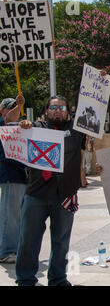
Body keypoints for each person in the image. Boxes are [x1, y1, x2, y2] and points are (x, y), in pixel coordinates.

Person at [15, 95, 85, 286]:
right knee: (28, 240)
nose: (58, 111)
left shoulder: (77, 129)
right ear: (46, 110)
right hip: (35, 194)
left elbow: (94, 106)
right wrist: (21, 120)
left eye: (62, 108)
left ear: (68, 112)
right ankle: (26, 279)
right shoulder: (34, 128)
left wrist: (101, 80)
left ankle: (58, 278)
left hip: (64, 195)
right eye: (54, 107)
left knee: (61, 242)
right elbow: (8, 126)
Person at [0, 95, 27, 264]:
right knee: (10, 216)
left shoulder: (20, 127)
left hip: (21, 175)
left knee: (18, 215)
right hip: (10, 175)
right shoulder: (2, 123)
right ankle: (7, 250)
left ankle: (14, 248)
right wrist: (19, 105)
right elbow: (8, 118)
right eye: (9, 107)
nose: (13, 111)